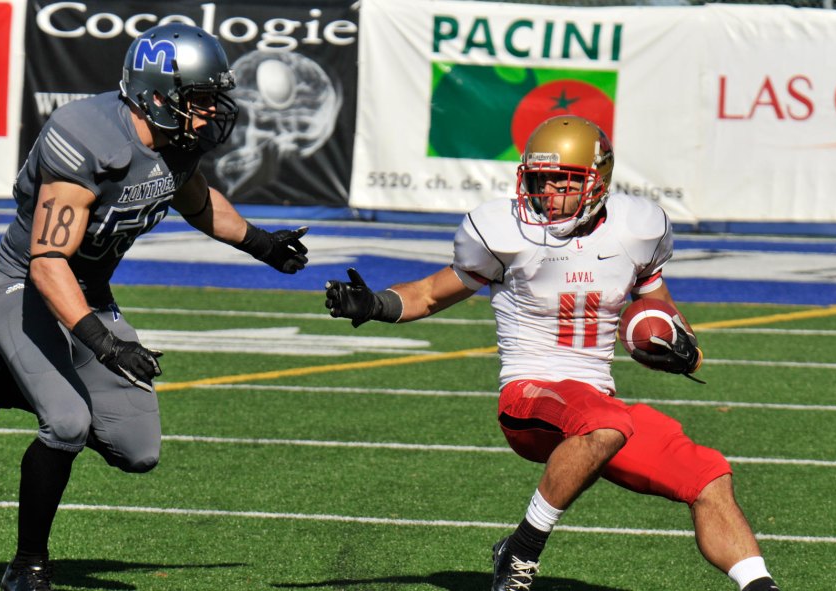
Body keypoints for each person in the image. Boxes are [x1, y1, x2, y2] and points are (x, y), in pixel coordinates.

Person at [324, 115, 781, 591]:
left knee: (708, 476)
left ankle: (759, 584)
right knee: (606, 424)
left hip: (596, 407)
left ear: (597, 181)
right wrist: (375, 304)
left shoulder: (636, 229)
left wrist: (679, 344)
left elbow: (656, 306)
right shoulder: (504, 232)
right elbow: (430, 293)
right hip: (529, 396)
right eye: (540, 180)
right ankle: (521, 550)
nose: (547, 193)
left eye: (563, 181)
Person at [0, 23, 308, 591]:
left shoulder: (174, 142)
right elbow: (47, 262)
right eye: (200, 99)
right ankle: (27, 563)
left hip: (90, 291)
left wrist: (261, 244)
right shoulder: (87, 136)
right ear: (156, 96)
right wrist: (105, 343)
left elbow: (194, 199)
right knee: (67, 423)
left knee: (137, 451)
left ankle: (0, 381)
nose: (211, 113)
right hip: (25, 287)